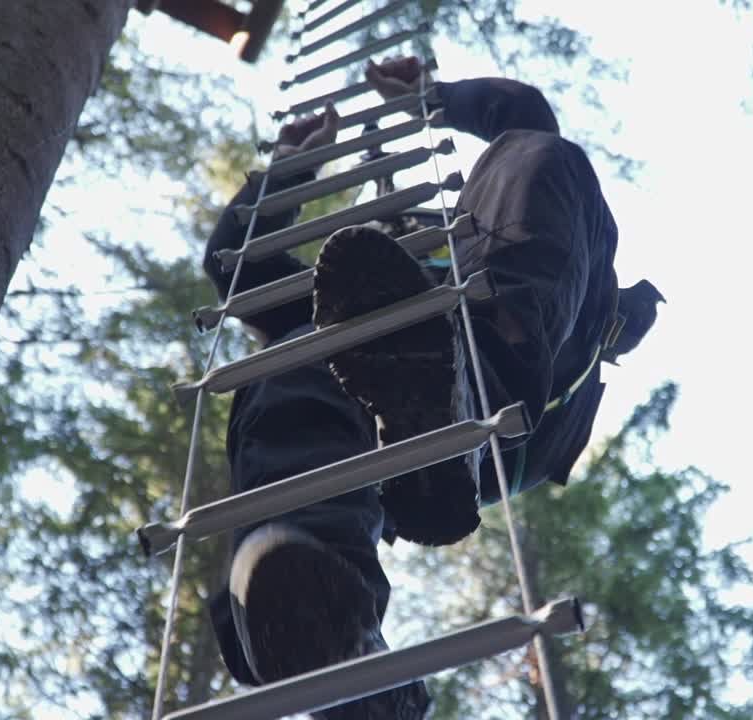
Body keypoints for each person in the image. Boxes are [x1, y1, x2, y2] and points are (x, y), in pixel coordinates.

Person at [202, 57, 663, 719]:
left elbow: (527, 121)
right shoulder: (350, 304)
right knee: (300, 350)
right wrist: (289, 171)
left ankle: (470, 386)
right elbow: (237, 271)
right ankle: (332, 633)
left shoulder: (483, 234)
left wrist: (433, 96)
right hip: (396, 412)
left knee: (538, 156)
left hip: (527, 371)